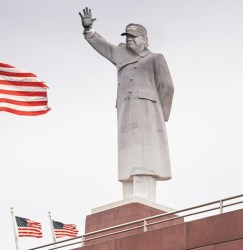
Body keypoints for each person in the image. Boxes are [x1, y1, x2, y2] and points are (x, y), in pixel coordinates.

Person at [79, 7, 174, 202]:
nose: (129, 39)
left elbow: (167, 86)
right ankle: (128, 191)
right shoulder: (121, 54)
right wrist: (89, 30)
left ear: (144, 39)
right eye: (127, 36)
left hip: (147, 110)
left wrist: (160, 114)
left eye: (134, 36)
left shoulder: (155, 58)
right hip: (126, 110)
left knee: (144, 151)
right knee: (128, 150)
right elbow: (103, 45)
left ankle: (143, 192)